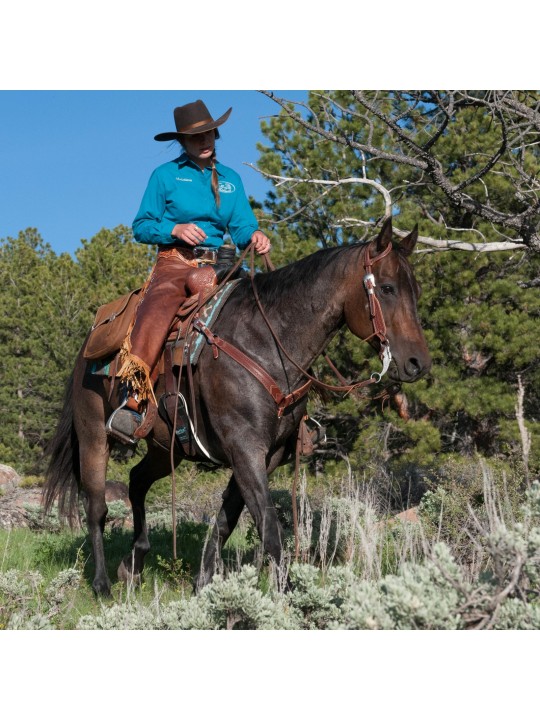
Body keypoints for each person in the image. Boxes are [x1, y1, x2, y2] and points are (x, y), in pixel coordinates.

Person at [107, 99, 271, 443]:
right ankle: (133, 400)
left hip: (221, 265)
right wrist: (174, 229)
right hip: (175, 263)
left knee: (268, 307)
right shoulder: (165, 176)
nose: (204, 140)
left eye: (208, 133)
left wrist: (253, 236)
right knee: (157, 311)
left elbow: (241, 227)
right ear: (182, 141)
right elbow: (141, 226)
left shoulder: (230, 179)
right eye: (195, 137)